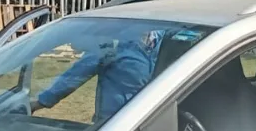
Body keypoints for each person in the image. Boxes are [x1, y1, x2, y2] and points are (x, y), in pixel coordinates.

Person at [30, 29, 163, 123]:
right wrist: (40, 102)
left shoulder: (165, 39)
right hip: (113, 126)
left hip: (152, 123)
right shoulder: (112, 45)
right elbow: (77, 74)